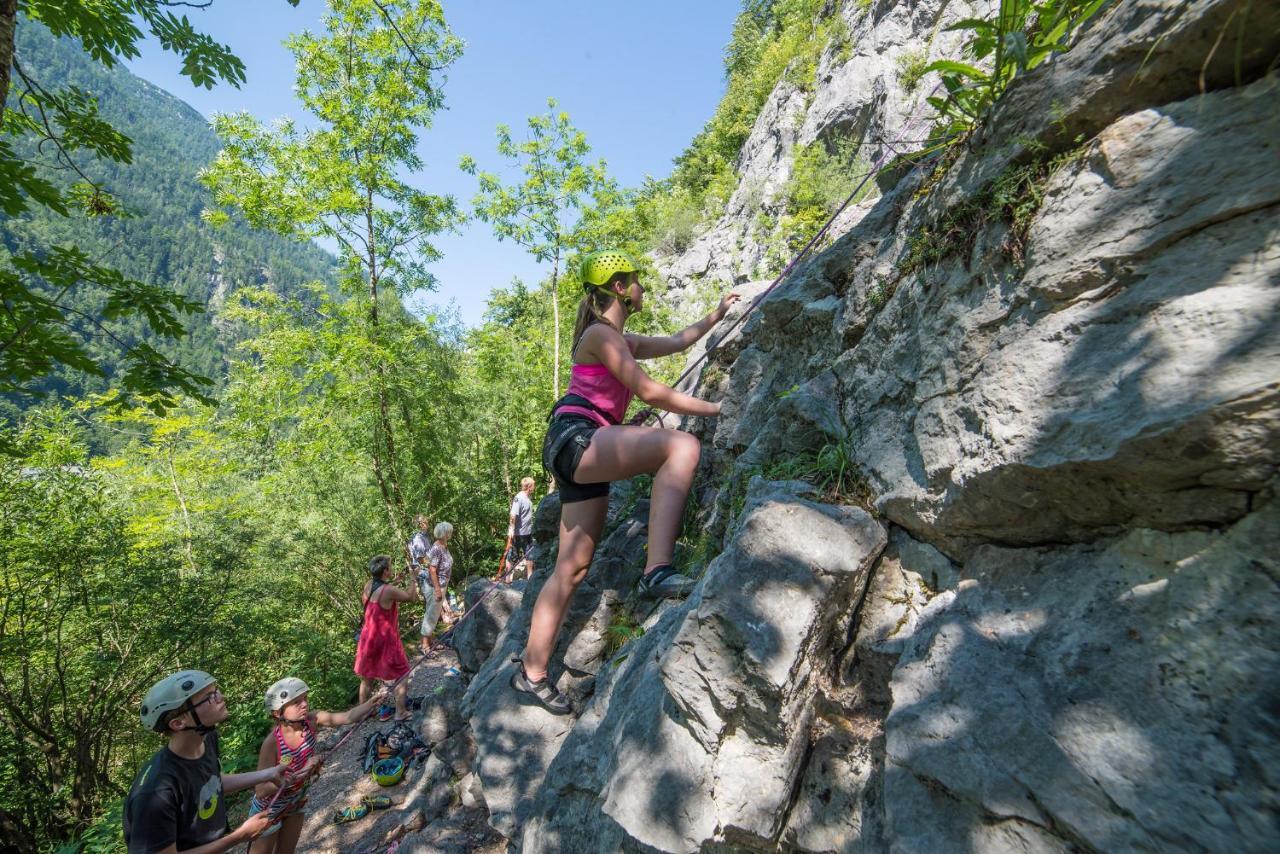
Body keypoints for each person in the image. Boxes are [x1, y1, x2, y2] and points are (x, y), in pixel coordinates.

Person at [511, 249, 737, 714]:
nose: (642, 286)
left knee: (572, 568)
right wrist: (717, 409)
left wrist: (717, 313)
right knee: (681, 447)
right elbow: (651, 390)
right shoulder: (600, 335)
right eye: (636, 279)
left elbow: (678, 341)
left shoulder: (618, 339)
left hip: (575, 440)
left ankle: (531, 673)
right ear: (618, 287)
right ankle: (658, 570)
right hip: (579, 438)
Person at [124, 670, 287, 853]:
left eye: (216, 690)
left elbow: (212, 782)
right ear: (178, 723)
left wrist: (267, 774)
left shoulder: (207, 739)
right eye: (210, 696)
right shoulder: (155, 792)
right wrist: (240, 835)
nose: (221, 697)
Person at [247, 677, 387, 854]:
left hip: (296, 801)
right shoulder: (273, 743)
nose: (304, 704)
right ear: (277, 713)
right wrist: (303, 771)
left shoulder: (312, 721)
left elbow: (346, 717)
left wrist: (369, 703)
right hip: (269, 808)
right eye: (296, 702)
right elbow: (261, 790)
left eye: (305, 699)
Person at [354, 555, 417, 721]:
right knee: (402, 673)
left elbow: (381, 593)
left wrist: (396, 581)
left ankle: (364, 712)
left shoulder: (369, 585)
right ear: (386, 571)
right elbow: (410, 597)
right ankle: (400, 712)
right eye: (390, 566)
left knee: (367, 677)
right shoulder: (388, 590)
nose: (391, 568)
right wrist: (413, 578)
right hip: (386, 639)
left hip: (368, 637)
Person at [417, 522, 457, 652]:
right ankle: (425, 646)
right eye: (449, 531)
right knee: (431, 615)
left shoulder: (444, 546)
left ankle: (431, 641)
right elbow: (432, 570)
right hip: (435, 586)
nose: (451, 533)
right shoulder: (437, 548)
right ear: (444, 533)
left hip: (441, 584)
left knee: (433, 615)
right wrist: (438, 589)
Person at [504, 477, 537, 581]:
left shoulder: (528, 498)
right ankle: (508, 579)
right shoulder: (519, 497)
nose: (534, 487)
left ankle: (530, 577)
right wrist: (511, 529)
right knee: (512, 555)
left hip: (527, 533)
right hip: (518, 533)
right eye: (533, 485)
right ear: (529, 487)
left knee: (530, 554)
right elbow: (513, 515)